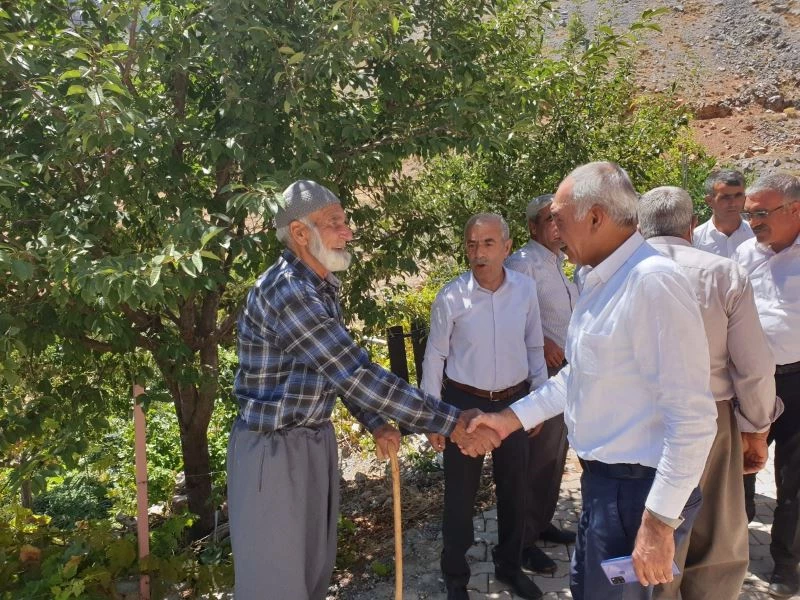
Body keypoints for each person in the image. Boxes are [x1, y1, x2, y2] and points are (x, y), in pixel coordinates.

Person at [227, 180, 500, 600]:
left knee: (313, 574)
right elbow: (356, 373)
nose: (348, 232)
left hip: (311, 440)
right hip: (273, 450)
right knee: (276, 586)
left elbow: (334, 368)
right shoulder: (289, 291)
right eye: (335, 223)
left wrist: (374, 421)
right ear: (301, 233)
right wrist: (452, 422)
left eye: (345, 221)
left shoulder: (319, 286)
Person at [465, 162, 718, 600]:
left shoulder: (652, 284)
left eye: (560, 220)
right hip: (607, 487)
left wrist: (659, 522)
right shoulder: (599, 280)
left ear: (596, 217)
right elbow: (579, 377)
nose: (555, 233)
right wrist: (508, 420)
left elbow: (694, 419)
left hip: (638, 492)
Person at [639, 185, 780, 600]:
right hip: (711, 418)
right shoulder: (723, 273)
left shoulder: (614, 274)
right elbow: (754, 366)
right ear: (690, 227)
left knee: (652, 531)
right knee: (715, 540)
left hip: (639, 419)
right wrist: (756, 428)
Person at [422, 212, 547, 600]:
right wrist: (433, 417)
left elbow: (534, 345)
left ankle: (509, 566)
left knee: (515, 490)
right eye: (472, 244)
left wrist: (539, 401)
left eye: (489, 243)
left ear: (507, 247)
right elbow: (434, 357)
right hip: (464, 405)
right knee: (460, 497)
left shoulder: (525, 290)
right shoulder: (451, 295)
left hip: (513, 402)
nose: (479, 252)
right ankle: (456, 576)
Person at [732, 173, 800, 598]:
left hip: (797, 383)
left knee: (794, 480)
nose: (752, 221)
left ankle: (787, 564)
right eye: (749, 213)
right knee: (738, 471)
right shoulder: (743, 254)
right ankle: (731, 552)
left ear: (794, 209)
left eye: (760, 212)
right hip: (750, 381)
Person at [506, 194, 578, 574]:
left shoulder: (559, 263)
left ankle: (541, 521)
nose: (557, 226)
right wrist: (545, 342)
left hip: (566, 374)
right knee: (535, 463)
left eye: (560, 219)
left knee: (554, 459)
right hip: (541, 375)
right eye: (550, 219)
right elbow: (508, 313)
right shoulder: (523, 263)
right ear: (533, 226)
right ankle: (521, 544)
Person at [692, 169, 753, 258]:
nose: (733, 203)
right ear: (709, 201)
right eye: (725, 197)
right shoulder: (695, 240)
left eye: (738, 196)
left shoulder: (757, 235)